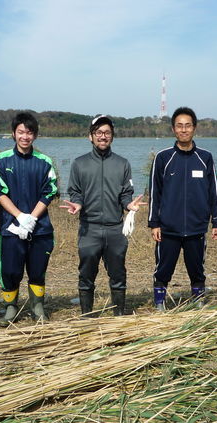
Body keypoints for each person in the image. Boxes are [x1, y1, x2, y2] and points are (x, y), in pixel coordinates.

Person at [60, 115, 144, 317]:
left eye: (107, 133)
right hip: (90, 228)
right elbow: (75, 192)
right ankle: (87, 316)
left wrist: (129, 205)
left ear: (112, 137)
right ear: (90, 136)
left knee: (118, 273)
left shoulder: (122, 164)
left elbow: (125, 194)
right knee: (86, 274)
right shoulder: (79, 164)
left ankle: (119, 315)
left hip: (116, 228)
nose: (103, 136)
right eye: (98, 133)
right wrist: (77, 204)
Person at [147, 106, 217, 310]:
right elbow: (155, 192)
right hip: (168, 228)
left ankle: (198, 300)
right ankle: (159, 302)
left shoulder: (205, 157)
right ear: (173, 129)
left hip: (197, 227)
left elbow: (213, 191)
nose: (183, 130)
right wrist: (154, 223)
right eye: (179, 126)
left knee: (197, 268)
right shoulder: (163, 157)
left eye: (187, 126)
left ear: (194, 128)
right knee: (163, 268)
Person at [0, 112, 57, 323]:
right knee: (10, 270)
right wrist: (20, 216)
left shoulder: (45, 161)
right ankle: (10, 307)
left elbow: (49, 192)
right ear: (13, 133)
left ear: (35, 135)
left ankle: (37, 306)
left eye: (29, 133)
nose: (25, 137)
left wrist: (32, 218)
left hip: (40, 228)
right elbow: (0, 192)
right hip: (11, 227)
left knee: (37, 268)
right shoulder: (0, 161)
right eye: (21, 132)